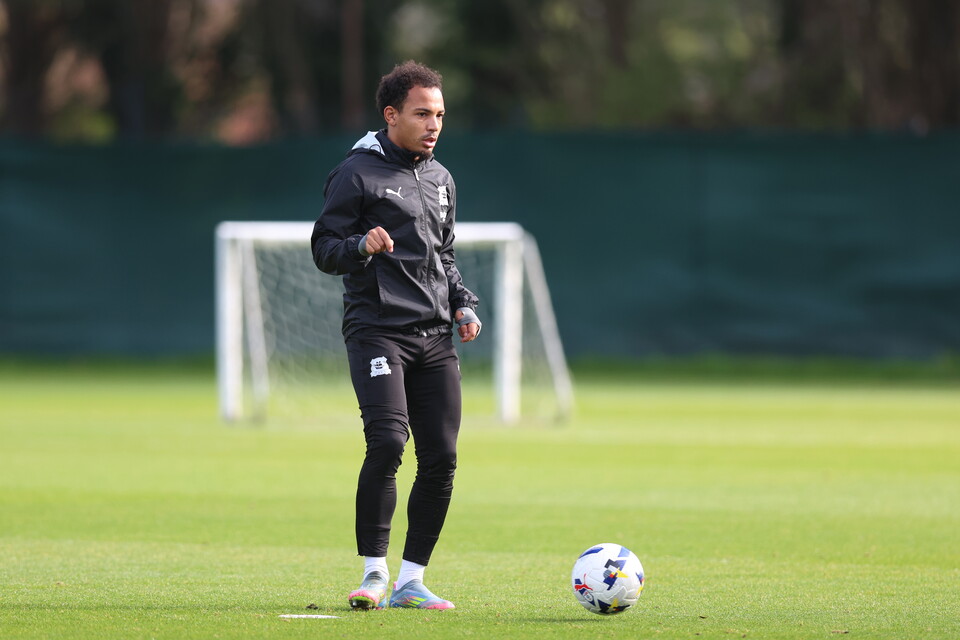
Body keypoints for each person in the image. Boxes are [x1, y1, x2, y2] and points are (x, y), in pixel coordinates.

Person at [310, 61, 481, 611]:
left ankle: (411, 580)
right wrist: (361, 245)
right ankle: (374, 574)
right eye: (422, 114)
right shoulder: (355, 174)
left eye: (439, 115)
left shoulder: (441, 179)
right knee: (387, 442)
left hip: (434, 337)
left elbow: (443, 255)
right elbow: (324, 249)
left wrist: (461, 304)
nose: (433, 125)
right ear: (391, 115)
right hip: (378, 332)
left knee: (443, 457)